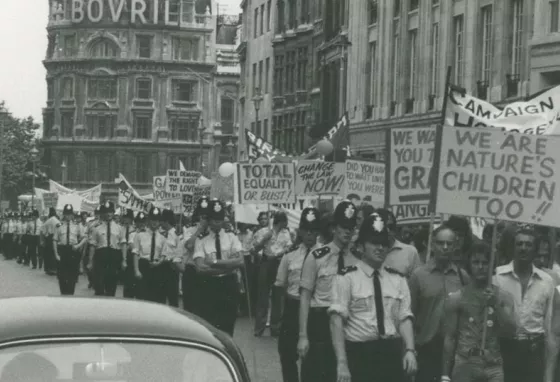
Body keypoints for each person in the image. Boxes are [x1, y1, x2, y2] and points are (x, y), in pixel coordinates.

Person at [330, 210, 417, 382]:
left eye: (384, 244)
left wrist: (410, 350)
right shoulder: (347, 277)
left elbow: (404, 318)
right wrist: (341, 362)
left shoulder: (398, 279)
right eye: (374, 243)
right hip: (360, 354)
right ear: (361, 246)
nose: (380, 248)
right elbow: (336, 321)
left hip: (391, 352)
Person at [298, 200, 359, 382]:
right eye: (344, 226)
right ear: (334, 228)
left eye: (351, 227)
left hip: (347, 324)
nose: (348, 231)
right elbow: (305, 297)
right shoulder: (317, 257)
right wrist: (303, 336)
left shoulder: (357, 260)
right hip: (320, 324)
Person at [441, 240, 516, 382]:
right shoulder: (457, 298)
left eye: (485, 262)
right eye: (475, 262)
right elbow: (450, 338)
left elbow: (511, 331)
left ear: (491, 265)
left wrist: (496, 305)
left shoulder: (504, 297)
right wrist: (445, 375)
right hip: (465, 363)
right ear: (469, 265)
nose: (480, 267)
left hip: (493, 365)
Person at [493, 224, 556, 382]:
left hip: (533, 352)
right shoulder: (497, 277)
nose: (523, 248)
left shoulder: (546, 282)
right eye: (519, 244)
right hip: (503, 350)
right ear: (513, 247)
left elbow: (549, 328)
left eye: (528, 244)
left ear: (535, 250)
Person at [408, 223, 470, 382]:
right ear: (433, 245)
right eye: (441, 243)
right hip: (426, 350)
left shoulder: (462, 277)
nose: (445, 247)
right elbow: (410, 316)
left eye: (449, 244)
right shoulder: (419, 276)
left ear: (455, 246)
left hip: (454, 354)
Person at [275, 207, 321, 382]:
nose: (310, 234)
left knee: (312, 360)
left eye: (314, 230)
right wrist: (281, 316)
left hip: (314, 309)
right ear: (300, 231)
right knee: (287, 354)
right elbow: (280, 286)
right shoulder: (290, 257)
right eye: (306, 230)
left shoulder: (325, 256)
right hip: (293, 308)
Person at [193, 199, 244, 336]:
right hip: (210, 285)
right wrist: (228, 266)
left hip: (228, 285)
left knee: (228, 326)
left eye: (220, 219)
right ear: (208, 220)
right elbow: (200, 267)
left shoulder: (231, 237)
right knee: (210, 327)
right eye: (214, 219)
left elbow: (240, 261)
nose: (217, 222)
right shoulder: (201, 239)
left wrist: (214, 262)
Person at [253, 211, 293, 337]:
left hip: (279, 264)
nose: (286, 224)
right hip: (265, 264)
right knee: (263, 297)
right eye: (285, 221)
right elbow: (255, 249)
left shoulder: (286, 233)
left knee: (278, 296)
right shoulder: (264, 232)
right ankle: (259, 327)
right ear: (280, 221)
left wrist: (280, 253)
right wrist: (265, 239)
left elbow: (289, 248)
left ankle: (275, 327)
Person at [89, 201, 124, 296]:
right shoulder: (96, 228)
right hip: (101, 257)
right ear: (103, 214)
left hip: (114, 257)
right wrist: (90, 261)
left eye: (111, 212)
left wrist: (124, 260)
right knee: (99, 285)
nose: (108, 214)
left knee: (111, 286)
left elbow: (123, 245)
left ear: (113, 213)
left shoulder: (119, 228)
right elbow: (93, 245)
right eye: (106, 212)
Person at [182, 197, 210, 314]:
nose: (203, 219)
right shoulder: (189, 229)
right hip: (192, 270)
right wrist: (199, 230)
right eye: (201, 216)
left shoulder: (214, 232)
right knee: (190, 308)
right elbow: (189, 246)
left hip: (208, 270)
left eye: (206, 216)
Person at [132, 208, 166, 303]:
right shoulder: (140, 235)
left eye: (157, 220)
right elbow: (135, 253)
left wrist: (158, 263)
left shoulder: (162, 238)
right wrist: (136, 270)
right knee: (142, 297)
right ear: (148, 221)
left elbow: (163, 255)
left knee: (156, 298)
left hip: (156, 267)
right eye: (152, 220)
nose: (154, 223)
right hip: (143, 267)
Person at [53, 204, 86, 295]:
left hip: (72, 251)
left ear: (73, 215)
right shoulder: (59, 225)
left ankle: (70, 295)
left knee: (72, 276)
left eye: (70, 214)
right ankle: (63, 294)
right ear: (64, 214)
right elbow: (55, 240)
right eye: (66, 214)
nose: (68, 216)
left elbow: (84, 238)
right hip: (62, 251)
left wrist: (78, 245)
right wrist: (56, 254)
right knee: (62, 276)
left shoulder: (77, 225)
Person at [382, 208, 421, 278]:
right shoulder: (366, 252)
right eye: (383, 227)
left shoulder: (410, 252)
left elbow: (416, 284)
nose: (387, 231)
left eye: (390, 227)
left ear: (395, 229)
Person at [160, 209, 182, 307]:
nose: (160, 223)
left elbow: (179, 251)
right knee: (160, 297)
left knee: (172, 297)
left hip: (171, 267)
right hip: (161, 266)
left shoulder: (177, 234)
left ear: (166, 221)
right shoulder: (161, 233)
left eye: (162, 221)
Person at [120, 209, 136, 298]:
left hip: (131, 255)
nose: (125, 220)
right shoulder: (120, 228)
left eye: (128, 218)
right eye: (124, 218)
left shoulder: (134, 229)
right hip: (122, 253)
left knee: (130, 279)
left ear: (131, 219)